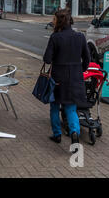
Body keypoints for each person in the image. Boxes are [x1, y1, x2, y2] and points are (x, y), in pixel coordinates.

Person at [43, 8, 90, 147]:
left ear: (60, 22)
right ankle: (74, 132)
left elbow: (47, 59)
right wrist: (79, 70)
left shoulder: (55, 38)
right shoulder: (80, 37)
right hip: (75, 78)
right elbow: (87, 59)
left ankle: (57, 134)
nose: (52, 22)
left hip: (58, 78)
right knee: (71, 108)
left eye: (54, 20)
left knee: (55, 107)